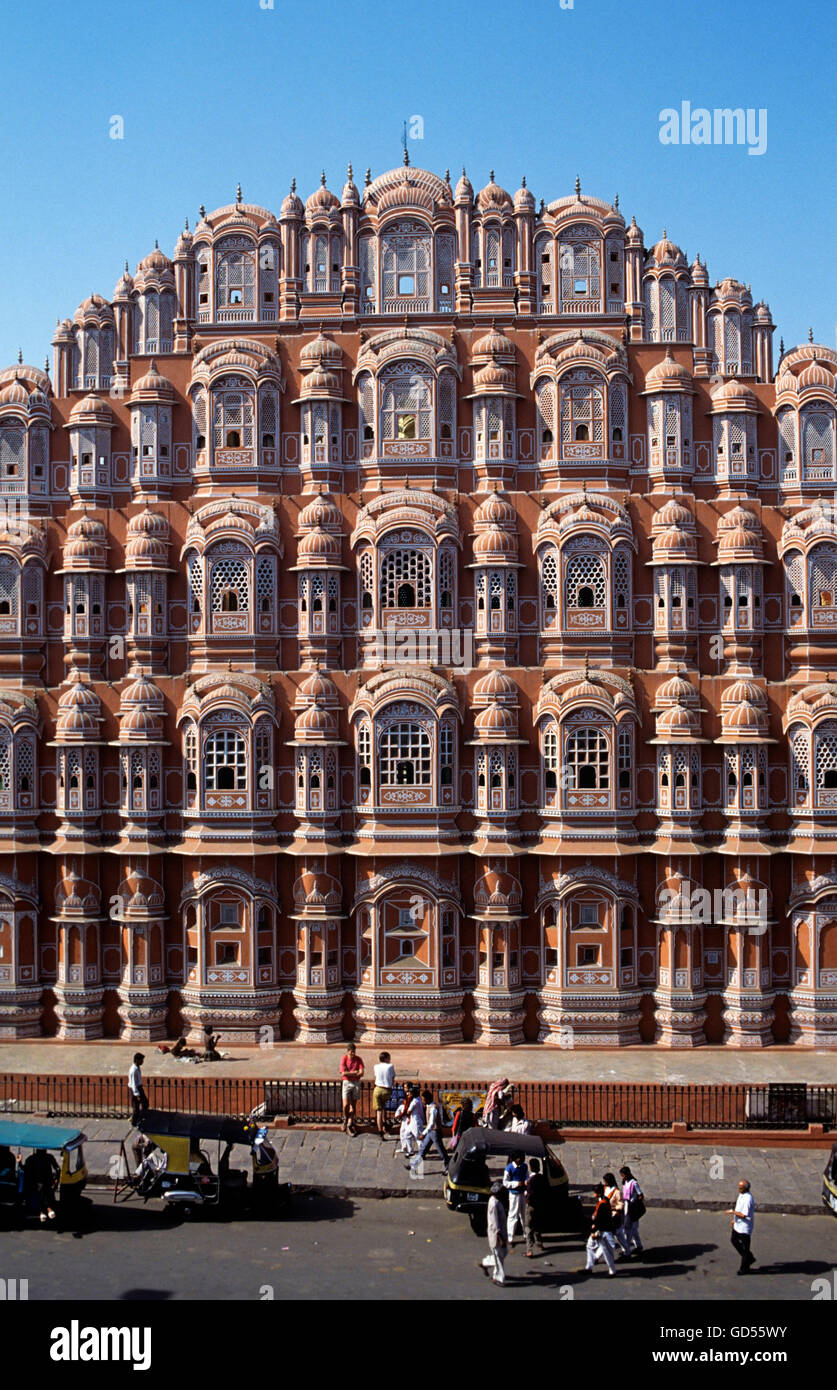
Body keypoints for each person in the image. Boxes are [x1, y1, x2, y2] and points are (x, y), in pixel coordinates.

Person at [581, 1182, 616, 1276]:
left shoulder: (603, 1204)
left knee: (606, 1251)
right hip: (601, 1229)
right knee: (589, 1246)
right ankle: (589, 1267)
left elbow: (600, 1220)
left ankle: (612, 1271)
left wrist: (593, 1230)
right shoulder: (604, 1200)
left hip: (603, 1231)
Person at [409, 1090, 447, 1173]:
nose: (422, 1101)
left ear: (427, 1099)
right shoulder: (429, 1106)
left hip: (435, 1132)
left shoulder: (433, 1109)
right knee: (423, 1149)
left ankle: (448, 1167)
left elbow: (431, 1124)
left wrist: (423, 1133)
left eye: (423, 1099)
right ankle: (414, 1165)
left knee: (441, 1151)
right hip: (431, 1132)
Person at [480, 1181, 509, 1286]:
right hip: (496, 1236)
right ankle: (498, 1278)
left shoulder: (496, 1201)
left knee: (502, 1254)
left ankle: (486, 1263)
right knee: (499, 1257)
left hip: (502, 1233)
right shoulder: (494, 1204)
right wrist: (500, 1238)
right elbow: (494, 1224)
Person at [726, 1179, 756, 1275]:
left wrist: (732, 1212)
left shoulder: (748, 1199)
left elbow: (744, 1215)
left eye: (741, 1188)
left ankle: (744, 1268)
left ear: (745, 1188)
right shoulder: (741, 1195)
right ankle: (749, 1257)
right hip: (738, 1225)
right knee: (734, 1240)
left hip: (744, 1228)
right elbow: (738, 1208)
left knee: (745, 1247)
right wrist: (734, 1220)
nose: (739, 1189)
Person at [23, 1148, 60, 1222]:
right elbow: (58, 1169)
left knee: (43, 1196)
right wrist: (56, 1179)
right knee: (44, 1196)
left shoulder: (31, 1158)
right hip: (42, 1181)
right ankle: (46, 1210)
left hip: (42, 1181)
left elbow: (25, 1169)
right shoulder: (48, 1157)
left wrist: (56, 1179)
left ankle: (44, 1211)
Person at [616, 1164, 644, 1258]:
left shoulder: (634, 1183)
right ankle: (638, 1245)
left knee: (629, 1229)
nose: (622, 1177)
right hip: (627, 1206)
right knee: (633, 1228)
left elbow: (640, 1195)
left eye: (623, 1175)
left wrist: (635, 1203)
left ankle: (626, 1249)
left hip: (633, 1207)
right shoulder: (624, 1182)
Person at [502, 1150, 529, 1243]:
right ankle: (510, 1237)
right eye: (520, 1158)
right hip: (514, 1194)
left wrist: (526, 1181)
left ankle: (526, 1234)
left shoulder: (524, 1167)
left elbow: (527, 1176)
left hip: (522, 1193)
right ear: (516, 1159)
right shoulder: (509, 1168)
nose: (522, 1160)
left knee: (524, 1215)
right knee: (513, 1215)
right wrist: (516, 1183)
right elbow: (505, 1183)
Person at [339, 1042, 364, 1136]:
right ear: (348, 1052)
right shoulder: (344, 1059)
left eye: (354, 1052)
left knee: (353, 1106)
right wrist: (354, 1072)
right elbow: (343, 1073)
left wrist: (349, 1073)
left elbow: (361, 1073)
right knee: (345, 1105)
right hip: (347, 1083)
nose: (353, 1054)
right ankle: (345, 1118)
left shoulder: (359, 1059)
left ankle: (350, 1123)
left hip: (356, 1083)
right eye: (351, 1052)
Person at [525, 1156, 548, 1257]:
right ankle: (540, 1243)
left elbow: (529, 1194)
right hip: (541, 1205)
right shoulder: (542, 1178)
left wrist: (525, 1194)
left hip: (531, 1205)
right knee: (537, 1225)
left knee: (528, 1227)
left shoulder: (530, 1180)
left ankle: (529, 1249)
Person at [372, 1051, 395, 1139]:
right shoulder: (390, 1066)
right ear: (386, 1059)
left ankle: (380, 1130)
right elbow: (393, 1078)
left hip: (377, 1089)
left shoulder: (376, 1066)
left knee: (379, 1111)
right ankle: (384, 1124)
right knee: (383, 1108)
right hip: (386, 1090)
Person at [128, 1052, 148, 1126]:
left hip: (139, 1088)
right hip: (135, 1090)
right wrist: (137, 1095)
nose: (142, 1062)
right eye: (141, 1060)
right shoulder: (133, 1070)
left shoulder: (137, 1068)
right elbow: (133, 1084)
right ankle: (134, 1122)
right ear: (137, 1060)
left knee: (145, 1103)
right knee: (136, 1107)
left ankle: (142, 1117)